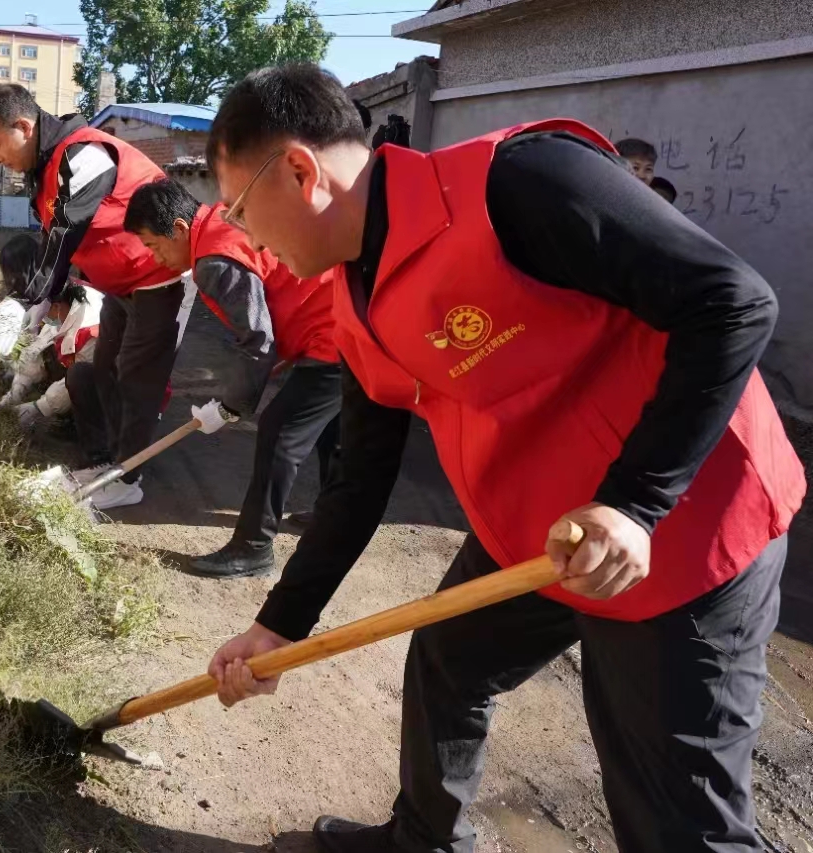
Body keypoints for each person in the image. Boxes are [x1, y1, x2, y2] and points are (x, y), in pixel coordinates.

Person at [203, 64, 804, 853]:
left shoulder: (515, 183)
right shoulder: (354, 297)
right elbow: (359, 481)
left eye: (241, 210)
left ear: (299, 169)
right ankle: (424, 837)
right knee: (450, 661)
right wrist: (280, 624)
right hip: (545, 529)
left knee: (677, 817)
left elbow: (733, 301)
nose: (247, 239)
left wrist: (635, 503)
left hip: (683, 525)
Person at [0, 83, 189, 510]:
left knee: (138, 379)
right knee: (103, 368)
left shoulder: (84, 152)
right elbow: (52, 234)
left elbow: (68, 227)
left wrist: (38, 296)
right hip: (121, 284)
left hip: (163, 275)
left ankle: (127, 479)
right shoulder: (45, 170)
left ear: (24, 126)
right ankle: (106, 463)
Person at [124, 178, 341, 577]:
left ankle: (253, 547)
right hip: (337, 316)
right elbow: (264, 335)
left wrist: (230, 405)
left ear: (178, 228)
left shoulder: (214, 260)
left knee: (280, 432)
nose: (157, 259)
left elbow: (258, 340)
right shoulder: (221, 222)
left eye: (154, 246)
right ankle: (336, 515)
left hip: (332, 330)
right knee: (333, 429)